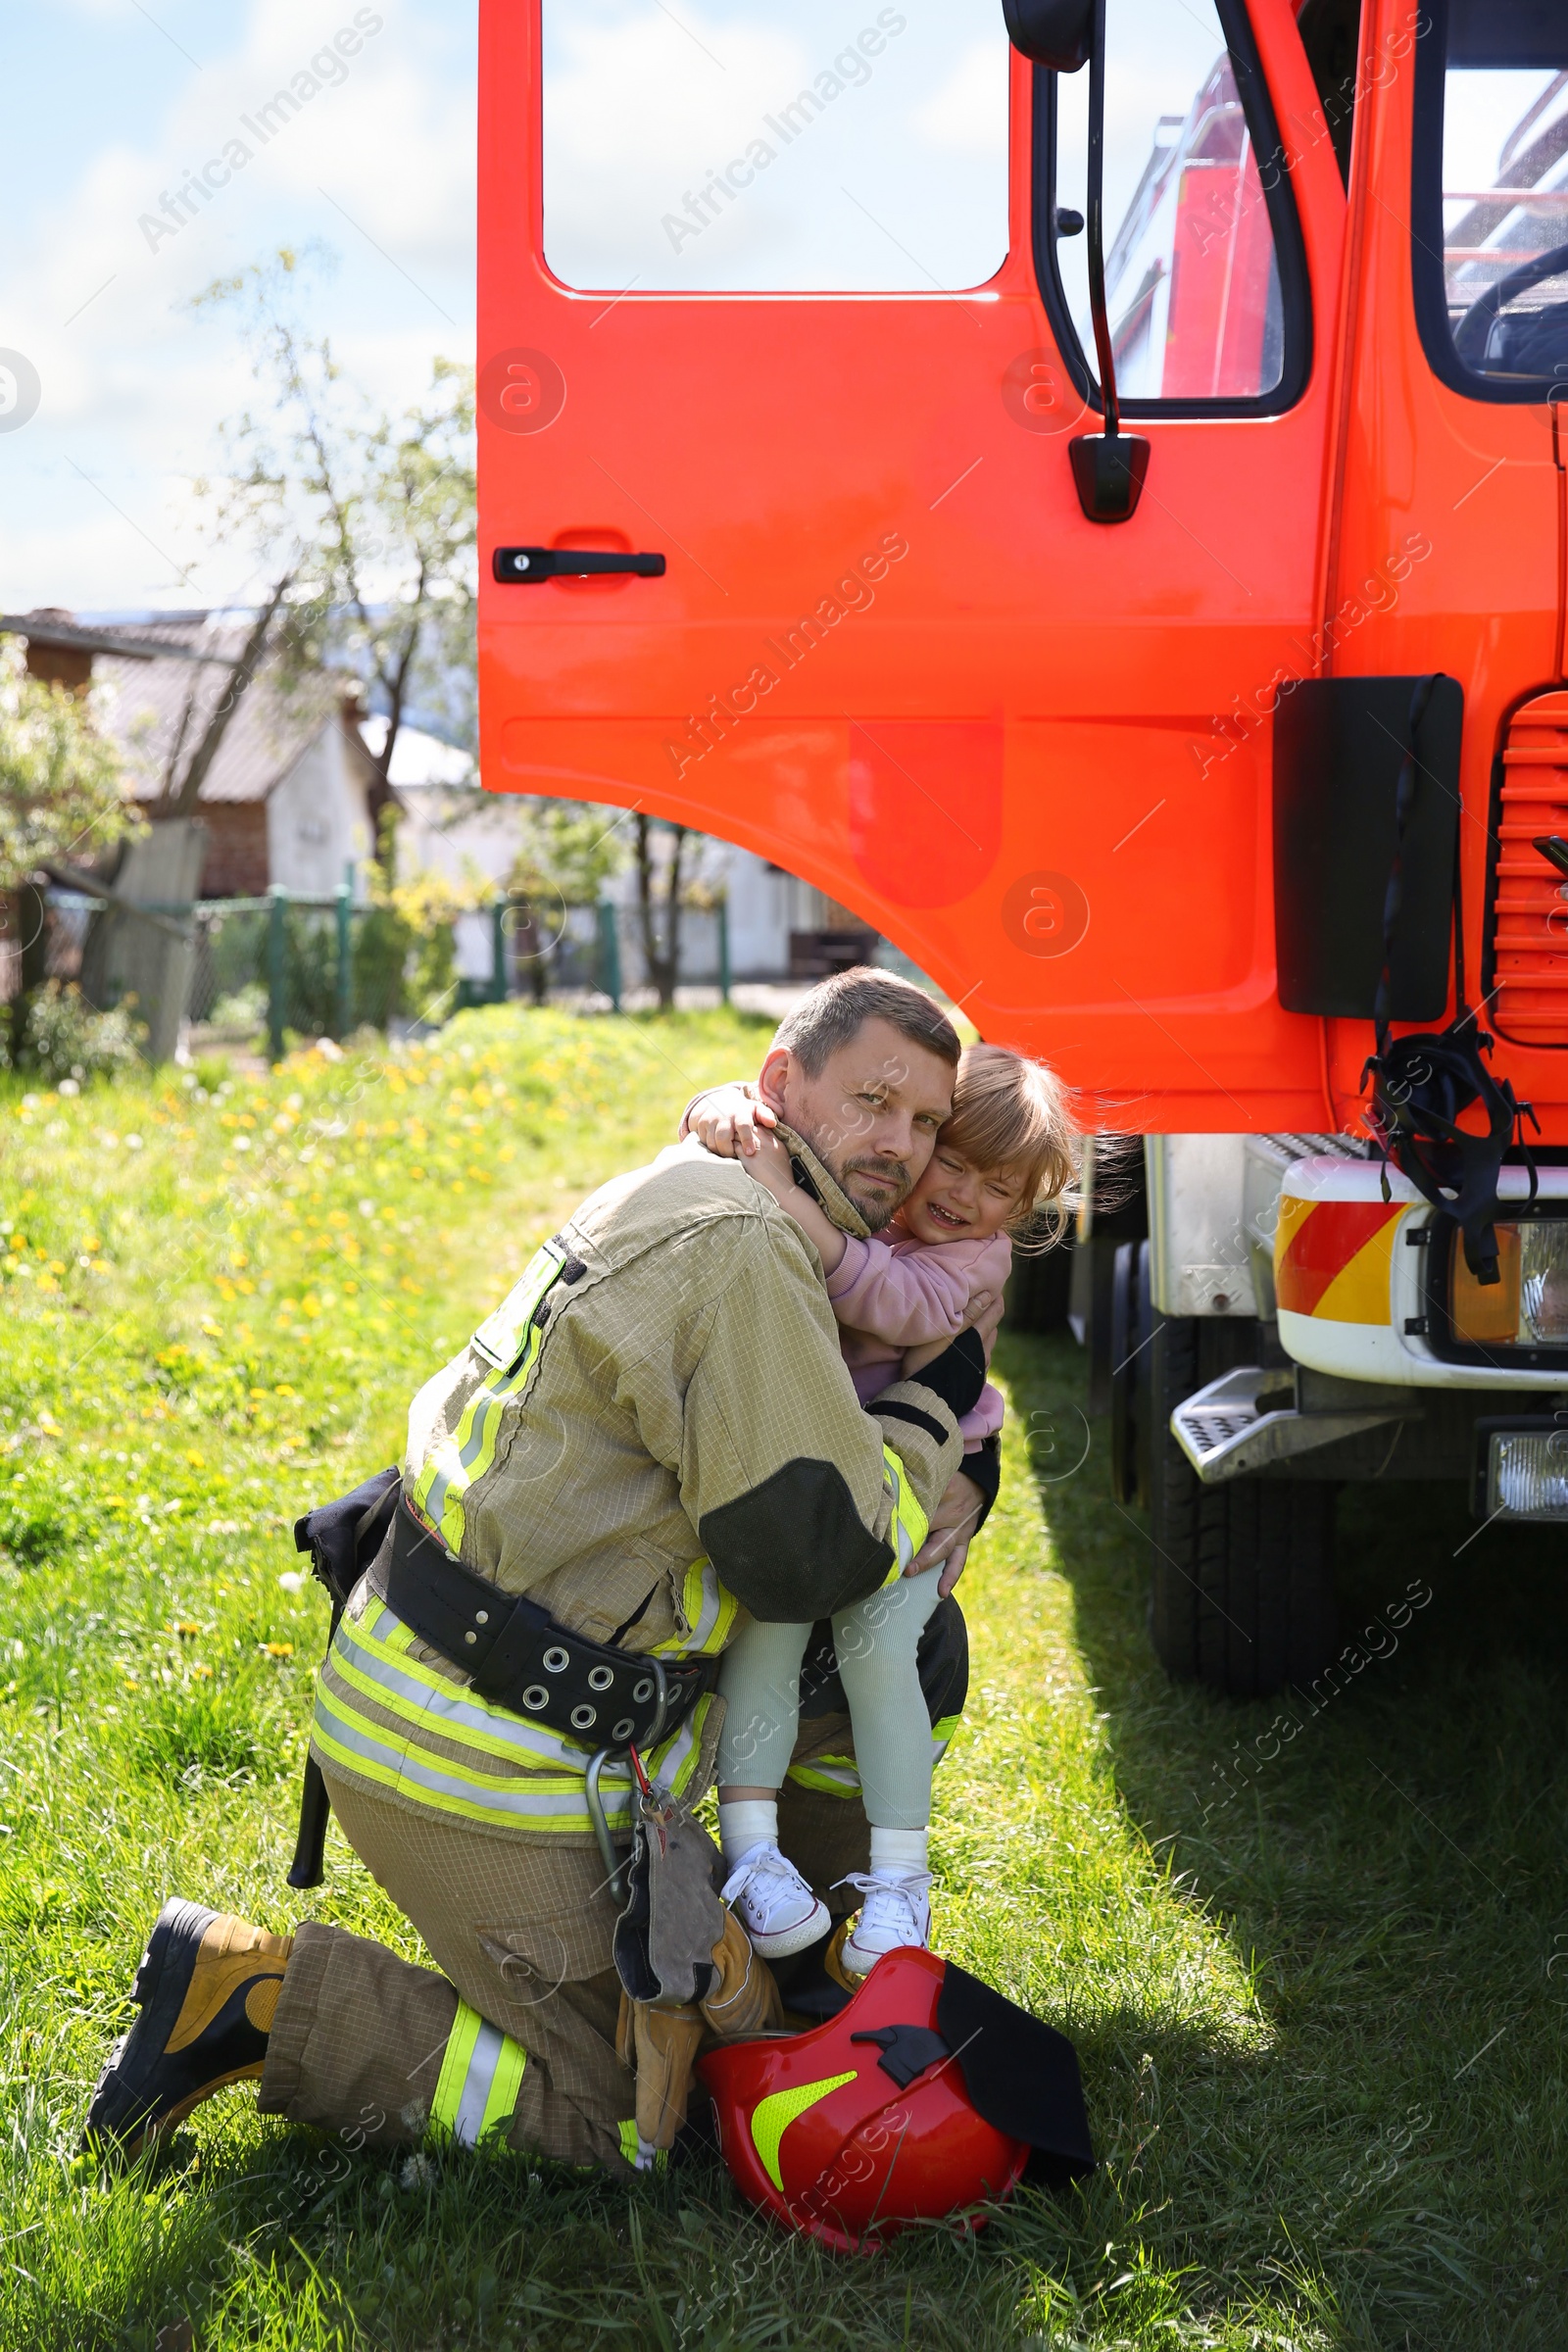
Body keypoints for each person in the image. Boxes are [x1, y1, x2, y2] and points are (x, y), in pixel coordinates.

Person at [86, 969, 996, 2176]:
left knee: (916, 1651)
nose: (901, 1145)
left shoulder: (714, 1187)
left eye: (927, 1120)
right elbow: (816, 1556)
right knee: (642, 2121)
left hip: (499, 1682)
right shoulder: (747, 1250)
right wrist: (938, 1410)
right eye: (872, 1100)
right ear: (782, 1084)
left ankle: (804, 1942)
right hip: (484, 1749)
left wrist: (958, 1472)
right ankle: (251, 1996)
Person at [682, 1047, 1076, 1978]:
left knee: (879, 1650)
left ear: (1021, 1213)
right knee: (767, 1633)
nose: (965, 1195)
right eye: (955, 1162)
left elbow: (884, 1301)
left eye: (999, 1189)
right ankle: (753, 1854)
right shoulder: (870, 1192)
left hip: (919, 1484)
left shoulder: (969, 1265)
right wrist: (722, 1109)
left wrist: (780, 1194)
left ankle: (898, 1879)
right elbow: (758, 1105)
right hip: (825, 1476)